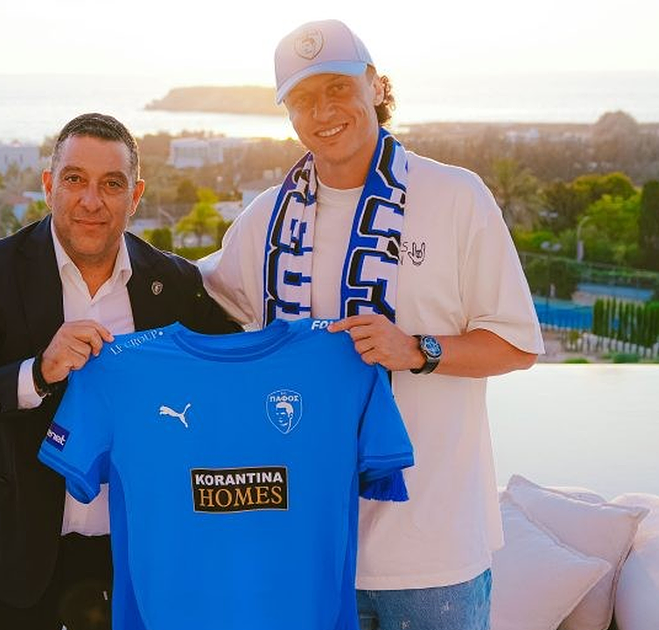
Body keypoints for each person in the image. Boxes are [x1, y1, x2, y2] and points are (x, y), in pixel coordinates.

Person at [198, 19, 544, 630]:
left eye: (337, 87)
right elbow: (192, 301)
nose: (323, 111)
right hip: (308, 546)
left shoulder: (455, 196)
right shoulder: (267, 220)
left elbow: (516, 345)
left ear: (377, 86)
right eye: (303, 98)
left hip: (431, 553)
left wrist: (417, 350)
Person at [0, 112, 237, 630]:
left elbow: (234, 374)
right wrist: (38, 372)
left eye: (111, 184)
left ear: (135, 196)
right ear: (49, 187)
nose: (92, 201)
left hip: (131, 557)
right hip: (9, 558)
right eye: (75, 180)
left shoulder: (175, 284)